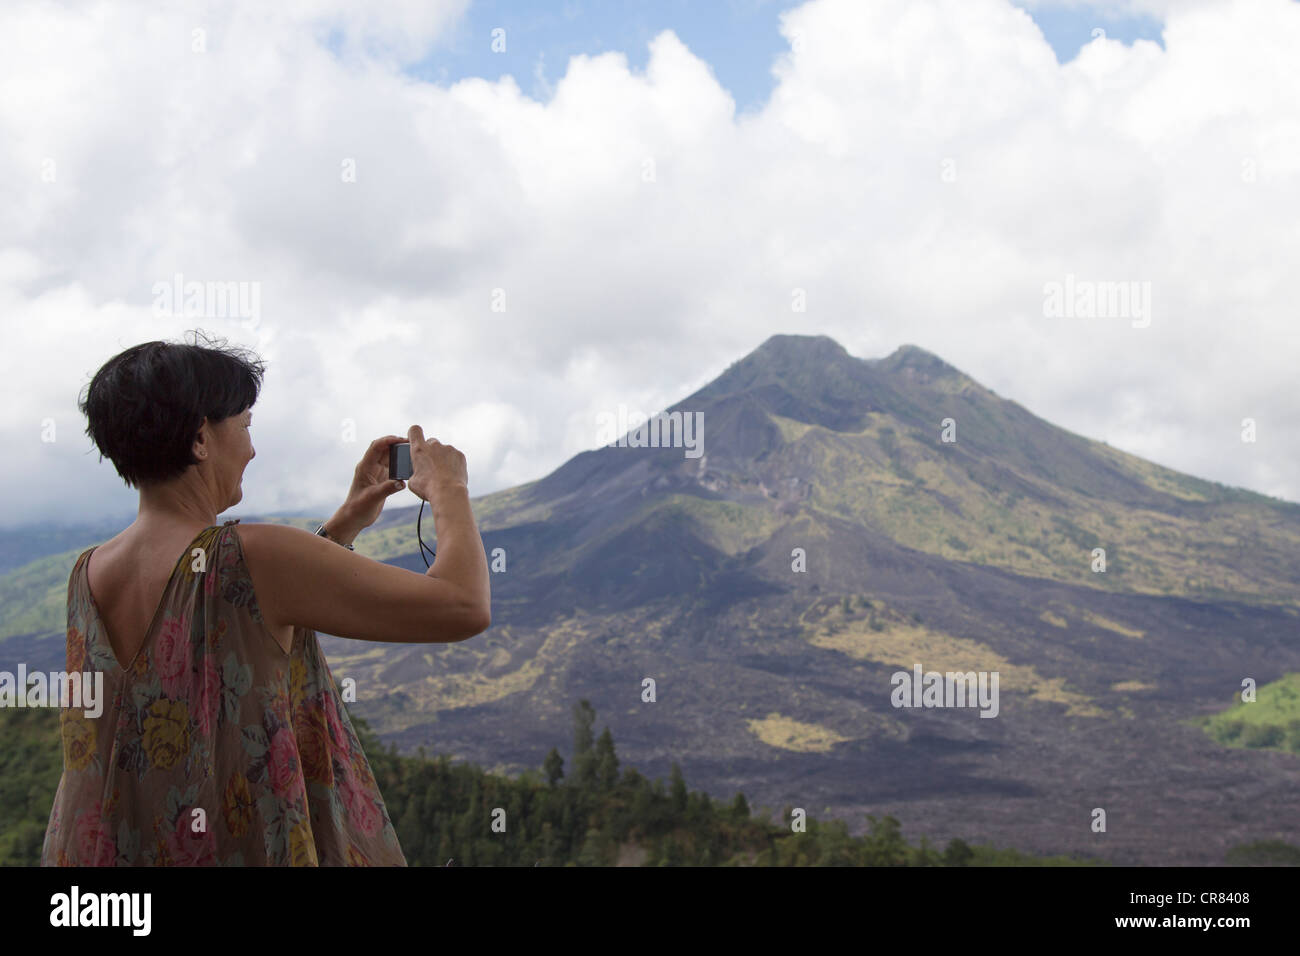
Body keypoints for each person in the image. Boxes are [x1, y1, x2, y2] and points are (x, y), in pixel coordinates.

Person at [41, 330, 490, 866]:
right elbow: (462, 605)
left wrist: (342, 526)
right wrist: (451, 491)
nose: (252, 447)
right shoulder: (249, 554)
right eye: (245, 425)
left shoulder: (86, 575)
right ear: (200, 439)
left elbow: (240, 624)